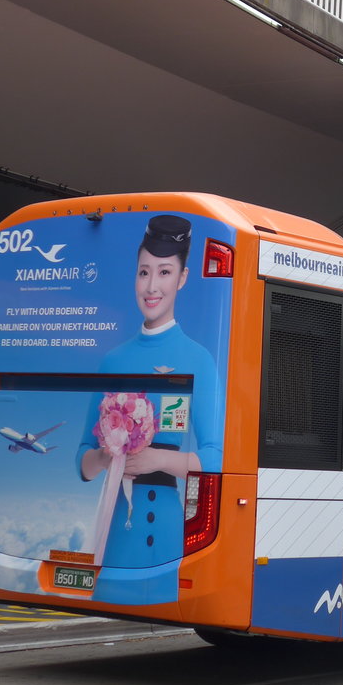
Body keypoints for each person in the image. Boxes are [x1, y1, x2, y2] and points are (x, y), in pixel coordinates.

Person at [77, 215, 222, 579]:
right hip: (111, 519)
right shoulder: (114, 359)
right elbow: (83, 460)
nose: (152, 285)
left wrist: (157, 458)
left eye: (164, 272)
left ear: (182, 278)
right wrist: (106, 455)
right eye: (144, 272)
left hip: (163, 522)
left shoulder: (198, 358)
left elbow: (217, 456)